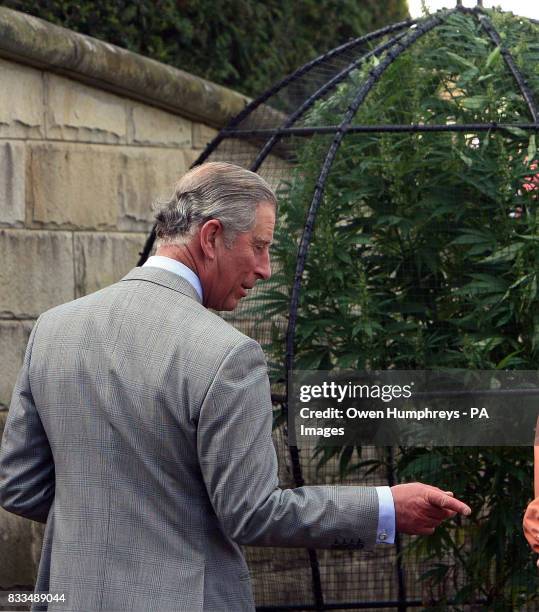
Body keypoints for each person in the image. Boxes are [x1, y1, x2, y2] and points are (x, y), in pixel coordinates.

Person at [0, 162, 471, 611]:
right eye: (260, 246)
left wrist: (109, 524)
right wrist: (385, 507)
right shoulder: (226, 354)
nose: (265, 269)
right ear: (211, 237)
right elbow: (252, 512)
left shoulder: (54, 328)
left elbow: (18, 484)